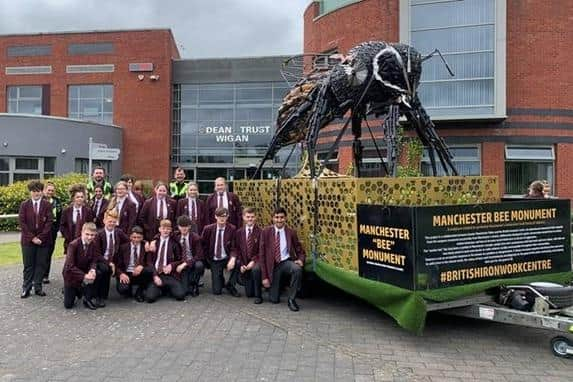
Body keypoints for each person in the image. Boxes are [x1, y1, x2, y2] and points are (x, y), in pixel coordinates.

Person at [259, 207, 305, 312]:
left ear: (285, 218)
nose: (279, 220)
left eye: (281, 217)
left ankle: (291, 299)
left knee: (297, 269)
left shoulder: (291, 232)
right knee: (274, 300)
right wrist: (264, 277)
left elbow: (299, 250)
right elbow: (262, 256)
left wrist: (301, 260)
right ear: (272, 218)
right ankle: (278, 286)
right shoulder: (265, 232)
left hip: (285, 262)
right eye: (276, 217)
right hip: (272, 265)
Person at [18, 180, 53, 298]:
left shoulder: (47, 205)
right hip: (28, 241)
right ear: (30, 192)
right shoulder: (24, 205)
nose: (36, 193)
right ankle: (26, 288)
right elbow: (22, 223)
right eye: (34, 191)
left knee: (41, 264)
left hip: (43, 241)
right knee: (28, 265)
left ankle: (38, 287)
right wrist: (33, 238)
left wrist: (40, 237)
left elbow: (49, 223)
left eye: (38, 191)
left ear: (42, 192)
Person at [62, 222, 103, 310]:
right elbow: (70, 266)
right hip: (71, 275)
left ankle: (87, 298)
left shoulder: (94, 244)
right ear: (82, 232)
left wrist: (92, 270)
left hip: (85, 271)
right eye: (87, 234)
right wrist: (85, 275)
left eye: (92, 235)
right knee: (68, 305)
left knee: (98, 273)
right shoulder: (73, 245)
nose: (89, 237)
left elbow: (94, 260)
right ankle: (74, 290)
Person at [142, 219, 185, 302]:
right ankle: (159, 289)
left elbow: (180, 259)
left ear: (171, 230)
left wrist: (171, 265)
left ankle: (165, 289)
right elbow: (149, 262)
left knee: (180, 296)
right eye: (163, 228)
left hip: (169, 275)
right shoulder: (154, 243)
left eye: (168, 229)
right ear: (159, 229)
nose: (165, 230)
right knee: (149, 298)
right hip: (156, 273)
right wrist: (154, 275)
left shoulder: (174, 243)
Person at [201, 207, 241, 297]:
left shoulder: (232, 228)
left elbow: (234, 247)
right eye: (219, 216)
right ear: (215, 217)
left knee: (238, 263)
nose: (222, 218)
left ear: (227, 217)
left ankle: (231, 285)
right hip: (214, 259)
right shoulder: (208, 229)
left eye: (224, 216)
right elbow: (203, 245)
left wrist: (232, 259)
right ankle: (220, 278)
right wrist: (208, 260)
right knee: (217, 291)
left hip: (226, 257)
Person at [93, 210, 129, 307]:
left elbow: (129, 241)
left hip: (113, 260)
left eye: (114, 221)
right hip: (100, 260)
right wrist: (108, 263)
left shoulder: (118, 232)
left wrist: (145, 243)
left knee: (107, 269)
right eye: (109, 221)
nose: (112, 224)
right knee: (104, 269)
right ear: (104, 221)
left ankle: (103, 296)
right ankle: (97, 296)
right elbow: (97, 253)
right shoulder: (99, 234)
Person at [115, 226, 151, 302]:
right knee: (123, 290)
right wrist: (121, 274)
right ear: (130, 237)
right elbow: (117, 265)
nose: (136, 240)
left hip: (139, 273)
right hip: (127, 272)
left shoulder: (145, 247)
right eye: (134, 237)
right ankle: (129, 288)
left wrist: (141, 265)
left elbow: (149, 262)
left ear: (142, 238)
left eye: (139, 237)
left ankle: (139, 291)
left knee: (148, 271)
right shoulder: (123, 247)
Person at [235, 207, 263, 304]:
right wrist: (242, 264)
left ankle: (258, 295)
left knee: (256, 269)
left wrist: (254, 261)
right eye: (248, 217)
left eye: (252, 217)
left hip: (256, 262)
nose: (250, 219)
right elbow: (237, 250)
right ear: (243, 217)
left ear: (256, 217)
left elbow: (262, 250)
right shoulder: (239, 232)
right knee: (248, 294)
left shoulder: (261, 232)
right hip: (245, 264)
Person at [174, 215, 205, 296]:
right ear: (178, 227)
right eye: (182, 226)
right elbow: (162, 234)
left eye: (186, 226)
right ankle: (187, 283)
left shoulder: (195, 238)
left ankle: (195, 283)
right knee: (185, 291)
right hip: (180, 263)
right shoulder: (175, 236)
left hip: (192, 262)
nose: (184, 228)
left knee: (199, 265)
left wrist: (185, 263)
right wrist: (153, 241)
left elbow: (199, 256)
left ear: (190, 226)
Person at [60, 184, 94, 254]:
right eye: (77, 197)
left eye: (82, 197)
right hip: (70, 241)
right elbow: (62, 226)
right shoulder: (66, 211)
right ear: (73, 198)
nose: (80, 199)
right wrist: (67, 236)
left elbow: (91, 225)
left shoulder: (88, 211)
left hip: (85, 242)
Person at [42, 181, 62, 284]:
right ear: (44, 190)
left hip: (52, 229)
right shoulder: (40, 200)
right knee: (40, 253)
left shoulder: (57, 201)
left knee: (49, 253)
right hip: (41, 230)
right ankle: (37, 275)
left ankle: (45, 275)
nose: (50, 192)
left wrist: (57, 228)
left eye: (52, 190)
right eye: (48, 190)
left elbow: (60, 215)